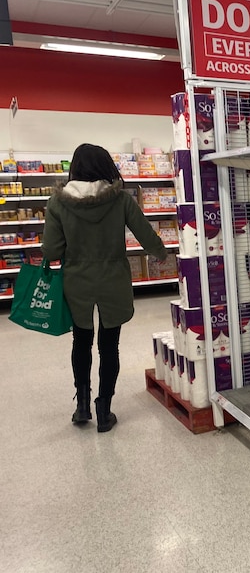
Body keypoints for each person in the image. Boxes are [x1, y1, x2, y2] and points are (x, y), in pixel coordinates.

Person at [42, 143, 168, 433]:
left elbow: (50, 250)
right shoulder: (120, 200)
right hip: (113, 280)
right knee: (109, 346)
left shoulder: (58, 202)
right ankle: (104, 409)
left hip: (77, 281)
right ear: (105, 167)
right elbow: (147, 236)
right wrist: (163, 255)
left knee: (81, 342)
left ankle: (82, 404)